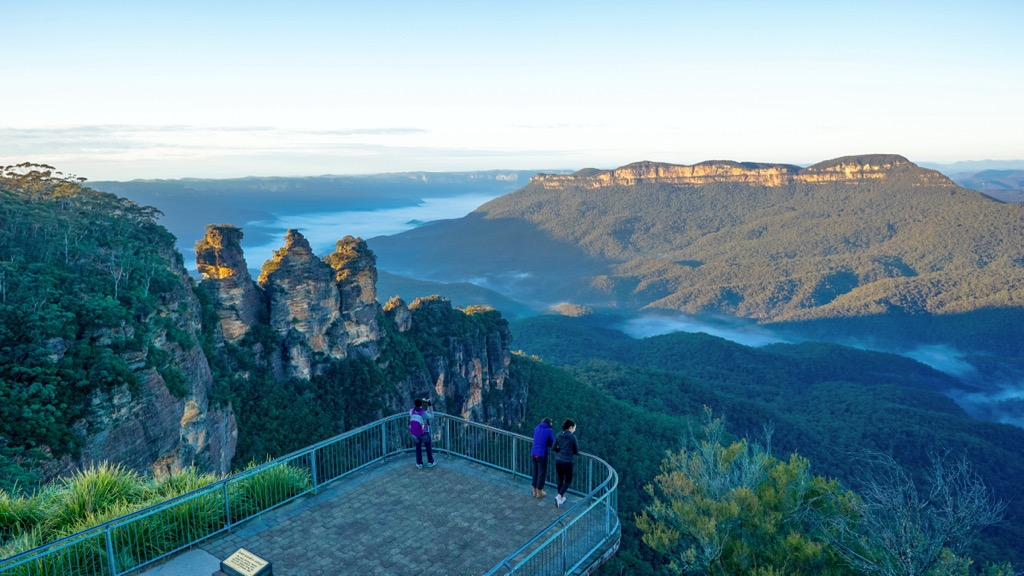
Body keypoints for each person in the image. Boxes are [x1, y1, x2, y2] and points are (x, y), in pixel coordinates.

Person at [552, 418, 579, 508]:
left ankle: (560, 499)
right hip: (567, 461)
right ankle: (559, 496)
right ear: (570, 427)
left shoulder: (558, 434)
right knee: (568, 480)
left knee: (560, 478)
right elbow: (576, 451)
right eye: (574, 428)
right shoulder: (572, 437)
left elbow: (553, 447)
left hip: (558, 460)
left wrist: (560, 450)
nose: (574, 430)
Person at [530, 418, 555, 498]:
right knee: (541, 473)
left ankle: (534, 491)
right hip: (542, 454)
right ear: (549, 423)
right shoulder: (549, 431)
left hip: (533, 453)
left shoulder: (536, 428)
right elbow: (552, 443)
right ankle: (539, 492)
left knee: (535, 471)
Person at [409, 398, 435, 469]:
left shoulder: (411, 411)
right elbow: (431, 416)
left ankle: (419, 463)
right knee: (428, 446)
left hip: (415, 433)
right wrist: (429, 405)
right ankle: (430, 462)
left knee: (418, 447)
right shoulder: (423, 413)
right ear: (421, 405)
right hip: (424, 432)